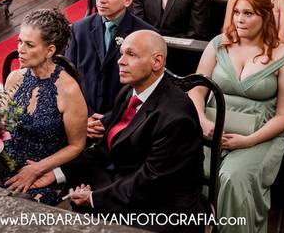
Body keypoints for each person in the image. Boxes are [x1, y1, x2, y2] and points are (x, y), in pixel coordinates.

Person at [34, 30, 206, 232]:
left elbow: (151, 181)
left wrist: (94, 198)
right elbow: (103, 149)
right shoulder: (129, 91)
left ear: (157, 62)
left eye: (131, 54)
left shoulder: (176, 116)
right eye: (121, 53)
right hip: (128, 180)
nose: (120, 61)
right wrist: (57, 173)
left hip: (164, 206)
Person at [189, 0, 284, 233]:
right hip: (213, 127)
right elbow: (196, 90)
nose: (240, 19)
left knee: (232, 178)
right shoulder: (218, 45)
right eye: (237, 12)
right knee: (188, 167)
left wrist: (248, 141)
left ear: (265, 17)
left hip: (261, 134)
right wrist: (202, 121)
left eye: (248, 14)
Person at [0, 9, 87, 205]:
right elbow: (3, 123)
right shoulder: (14, 78)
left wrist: (37, 169)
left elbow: (76, 145)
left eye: (29, 45)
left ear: (50, 50)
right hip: (6, 159)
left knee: (20, 211)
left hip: (41, 169)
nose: (20, 49)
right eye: (19, 42)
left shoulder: (69, 90)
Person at [66, 0, 155, 135]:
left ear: (127, 0)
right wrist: (85, 116)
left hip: (126, 125)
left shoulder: (145, 35)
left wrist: (110, 119)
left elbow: (147, 88)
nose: (101, 0)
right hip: (82, 121)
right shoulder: (79, 29)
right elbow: (68, 78)